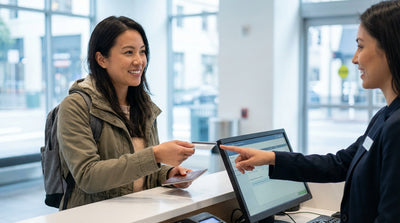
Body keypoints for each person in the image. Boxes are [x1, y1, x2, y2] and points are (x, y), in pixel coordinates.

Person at [221, 1, 400, 222]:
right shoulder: (384, 116)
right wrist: (271, 158)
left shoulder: (396, 127)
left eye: (361, 46)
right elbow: (340, 164)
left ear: (390, 49)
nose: (355, 58)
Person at [57, 16, 195, 210]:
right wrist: (155, 155)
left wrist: (168, 174)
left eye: (142, 52)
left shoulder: (143, 105)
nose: (139, 61)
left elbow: (140, 171)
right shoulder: (76, 106)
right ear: (101, 59)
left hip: (140, 214)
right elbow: (87, 177)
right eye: (129, 52)